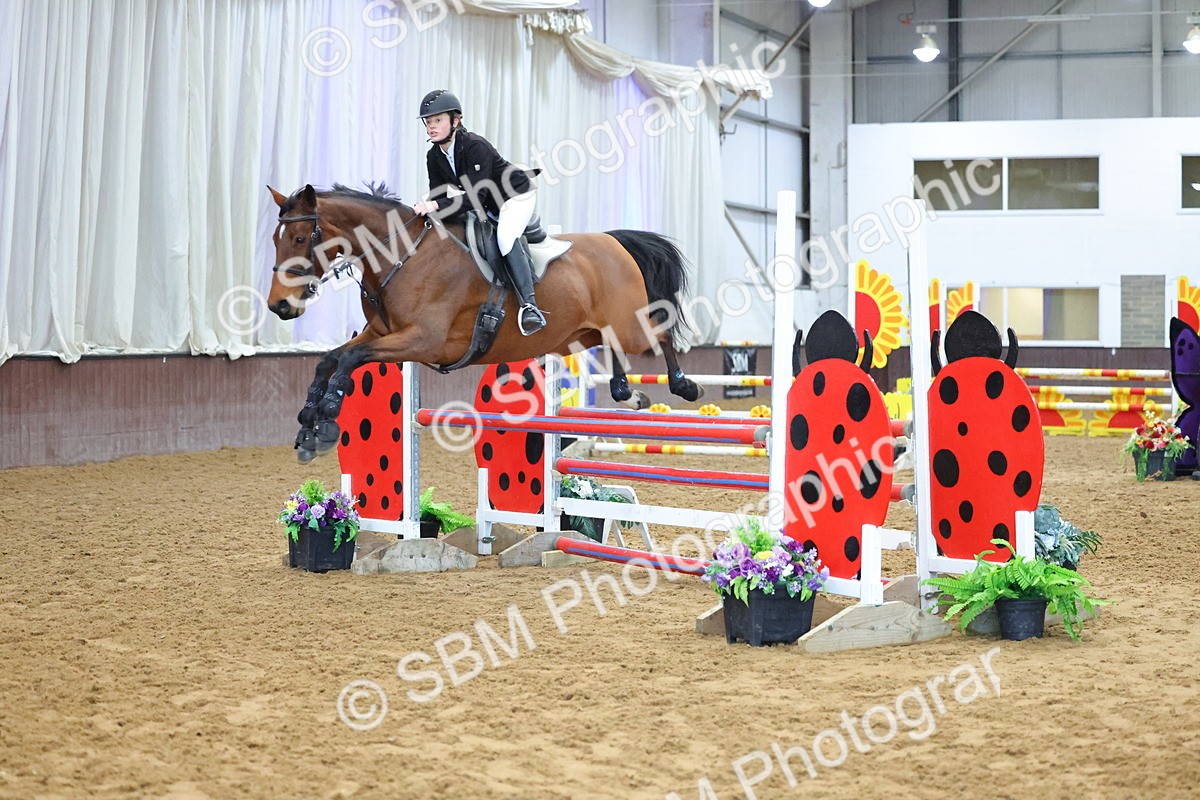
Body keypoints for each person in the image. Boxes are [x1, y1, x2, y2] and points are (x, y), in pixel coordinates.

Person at [411, 89, 547, 336]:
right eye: (428, 122)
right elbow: (438, 197)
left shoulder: (474, 146)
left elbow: (475, 198)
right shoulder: (434, 155)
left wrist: (435, 206)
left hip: (514, 195)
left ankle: (530, 306)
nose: (431, 127)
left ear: (455, 120)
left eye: (437, 120)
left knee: (505, 237)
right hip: (487, 204)